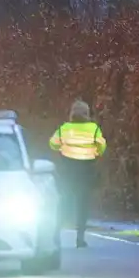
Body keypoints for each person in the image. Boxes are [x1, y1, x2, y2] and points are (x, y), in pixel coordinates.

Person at [49, 99, 107, 248]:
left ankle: (56, 236)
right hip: (86, 172)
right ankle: (79, 238)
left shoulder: (64, 128)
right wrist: (94, 152)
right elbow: (102, 145)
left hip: (68, 172)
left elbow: (53, 143)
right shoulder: (93, 129)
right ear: (87, 114)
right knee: (83, 205)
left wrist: (64, 148)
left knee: (64, 204)